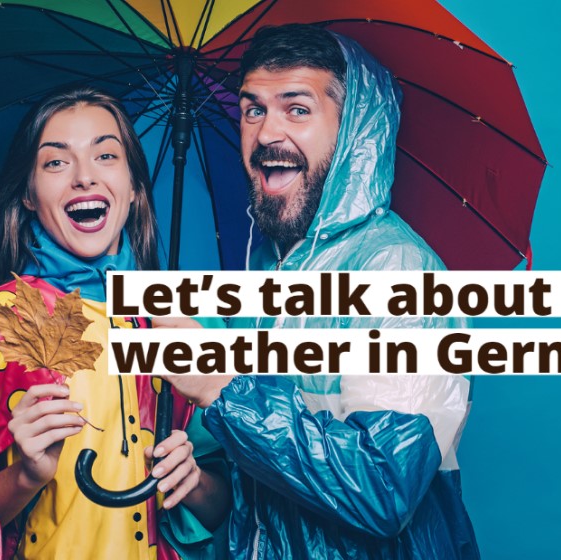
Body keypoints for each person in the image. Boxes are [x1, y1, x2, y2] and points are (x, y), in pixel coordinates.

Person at [0, 87, 228, 559]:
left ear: (134, 188)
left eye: (106, 155)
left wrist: (192, 482)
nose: (84, 177)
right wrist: (27, 474)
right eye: (56, 162)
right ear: (29, 193)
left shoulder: (174, 328)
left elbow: (233, 509)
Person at [165, 24, 479, 559]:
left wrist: (224, 391)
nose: (266, 134)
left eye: (297, 109)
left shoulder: (398, 273)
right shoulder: (269, 274)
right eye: (252, 109)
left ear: (354, 131)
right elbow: (264, 513)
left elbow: (384, 489)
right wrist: (195, 483)